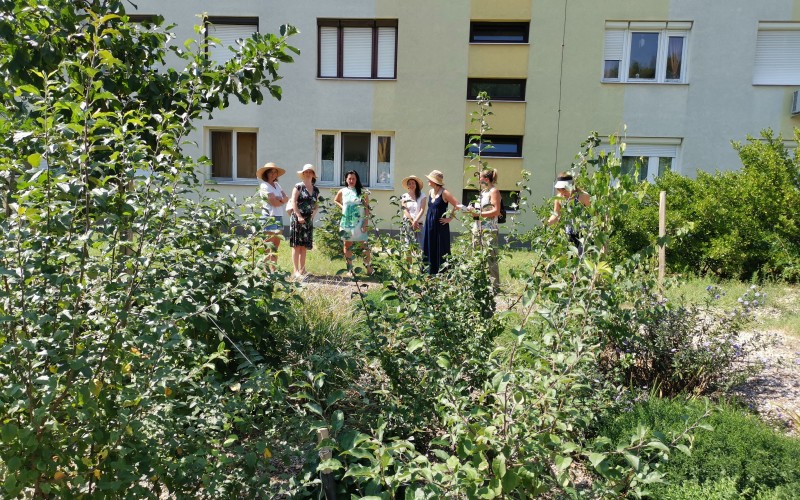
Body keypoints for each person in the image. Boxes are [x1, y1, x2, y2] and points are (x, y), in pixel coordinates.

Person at [422, 169, 463, 275]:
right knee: (429, 245)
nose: (428, 181)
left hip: (440, 226)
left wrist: (450, 218)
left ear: (434, 181)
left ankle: (443, 273)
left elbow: (457, 204)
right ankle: (430, 271)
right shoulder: (430, 192)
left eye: (429, 180)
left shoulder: (444, 192)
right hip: (429, 224)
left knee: (441, 247)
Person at [334, 170, 373, 275]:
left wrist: (365, 223)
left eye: (353, 179)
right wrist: (343, 208)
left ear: (357, 180)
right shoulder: (342, 191)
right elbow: (336, 200)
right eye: (349, 178)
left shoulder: (362, 192)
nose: (351, 180)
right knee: (347, 244)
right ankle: (350, 269)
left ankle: (368, 267)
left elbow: (366, 209)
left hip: (359, 222)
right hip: (346, 222)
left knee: (364, 245)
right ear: (346, 179)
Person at [469, 168, 502, 286]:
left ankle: (495, 286)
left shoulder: (494, 191)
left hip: (489, 229)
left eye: (480, 178)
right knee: (476, 255)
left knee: (491, 258)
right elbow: (481, 209)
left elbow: (496, 211)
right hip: (477, 227)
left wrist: (479, 214)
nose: (478, 181)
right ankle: (478, 284)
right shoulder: (482, 192)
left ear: (486, 179)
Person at [546, 171, 591, 255]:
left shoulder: (583, 196)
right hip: (570, 234)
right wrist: (547, 223)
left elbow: (595, 214)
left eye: (564, 189)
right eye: (560, 189)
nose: (562, 192)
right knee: (571, 261)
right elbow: (556, 215)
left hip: (585, 234)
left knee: (582, 259)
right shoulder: (559, 198)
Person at [289, 164, 320, 280]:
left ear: (313, 174)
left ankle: (303, 269)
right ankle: (295, 270)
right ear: (303, 174)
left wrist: (314, 213)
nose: (307, 173)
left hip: (308, 220)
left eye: (310, 172)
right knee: (297, 245)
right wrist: (298, 216)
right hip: (297, 219)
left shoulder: (316, 189)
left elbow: (317, 204)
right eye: (305, 172)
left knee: (304, 246)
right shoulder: (298, 186)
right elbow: (293, 202)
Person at [256, 162, 289, 270]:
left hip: (278, 217)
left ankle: (273, 270)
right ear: (266, 173)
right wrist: (280, 200)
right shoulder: (264, 185)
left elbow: (286, 198)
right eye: (271, 172)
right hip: (268, 217)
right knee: (267, 245)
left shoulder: (277, 185)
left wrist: (279, 199)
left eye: (275, 172)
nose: (273, 174)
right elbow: (274, 203)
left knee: (276, 246)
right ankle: (265, 271)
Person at [399, 175, 426, 247]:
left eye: (413, 183)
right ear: (407, 186)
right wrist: (412, 221)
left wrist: (416, 221)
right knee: (407, 246)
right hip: (408, 223)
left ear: (416, 185)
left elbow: (422, 209)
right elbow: (404, 210)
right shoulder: (404, 196)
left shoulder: (422, 195)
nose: (411, 185)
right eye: (409, 183)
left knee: (421, 247)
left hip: (419, 224)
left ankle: (420, 258)